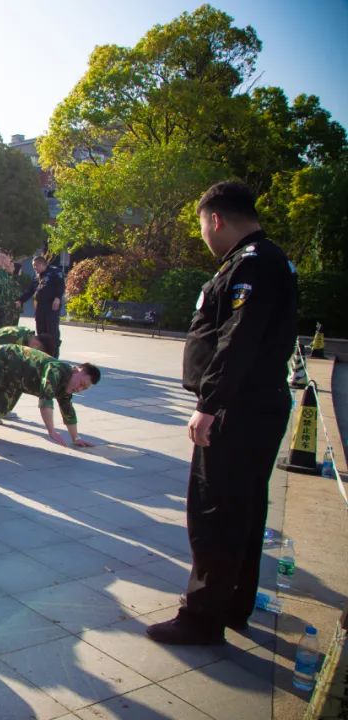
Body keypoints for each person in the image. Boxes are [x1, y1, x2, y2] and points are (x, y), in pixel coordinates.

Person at [147, 181, 297, 646]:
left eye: (202, 227)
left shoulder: (252, 265)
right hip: (254, 404)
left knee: (215, 511)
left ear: (215, 219)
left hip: (237, 408)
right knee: (244, 510)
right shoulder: (269, 260)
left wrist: (209, 404)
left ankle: (201, 617)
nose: (204, 238)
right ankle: (233, 604)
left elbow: (238, 339)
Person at [0, 345, 99, 447]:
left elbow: (68, 411)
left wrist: (76, 438)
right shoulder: (56, 370)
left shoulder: (66, 388)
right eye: (81, 383)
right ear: (76, 370)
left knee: (0, 410)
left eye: (83, 388)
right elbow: (45, 401)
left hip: (14, 379)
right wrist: (52, 431)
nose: (78, 389)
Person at [18, 255, 65, 355]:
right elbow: (30, 291)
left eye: (35, 265)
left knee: (52, 333)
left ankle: (54, 354)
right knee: (41, 333)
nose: (34, 268)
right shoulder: (37, 277)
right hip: (40, 308)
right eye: (33, 266)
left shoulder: (55, 272)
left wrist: (57, 298)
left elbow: (61, 285)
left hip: (51, 307)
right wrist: (20, 300)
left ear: (41, 263)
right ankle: (43, 354)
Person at [0, 249, 23, 330]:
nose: (4, 260)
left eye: (5, 258)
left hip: (4, 309)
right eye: (1, 257)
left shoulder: (3, 273)